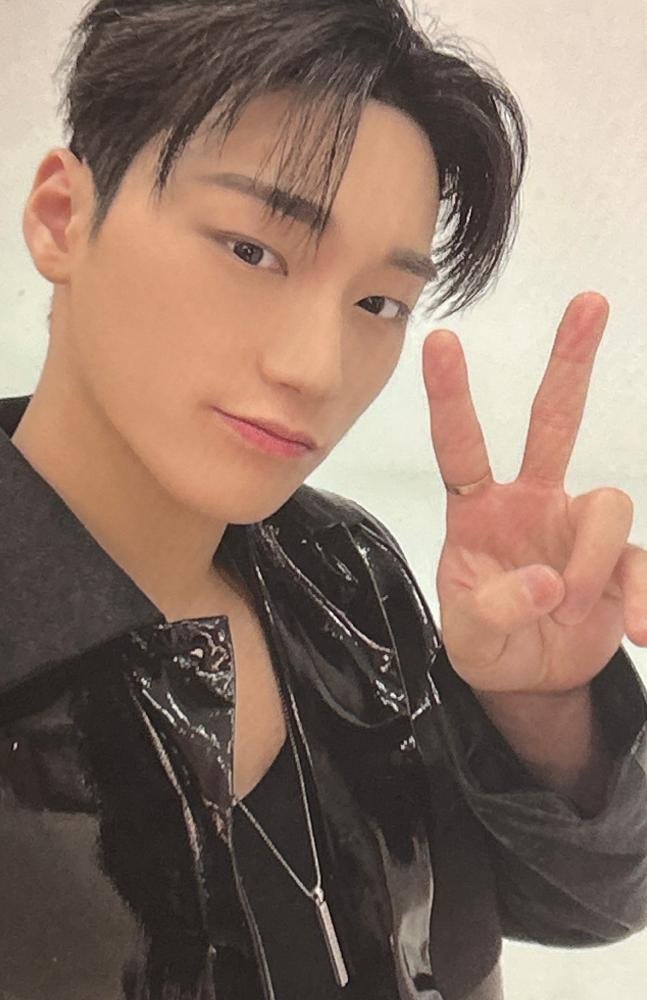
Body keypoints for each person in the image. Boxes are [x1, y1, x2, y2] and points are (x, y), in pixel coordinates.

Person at [1, 2, 646, 999]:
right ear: (62, 217)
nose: (316, 367)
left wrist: (541, 707)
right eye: (251, 250)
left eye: (378, 303)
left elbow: (572, 907)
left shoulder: (346, 574)